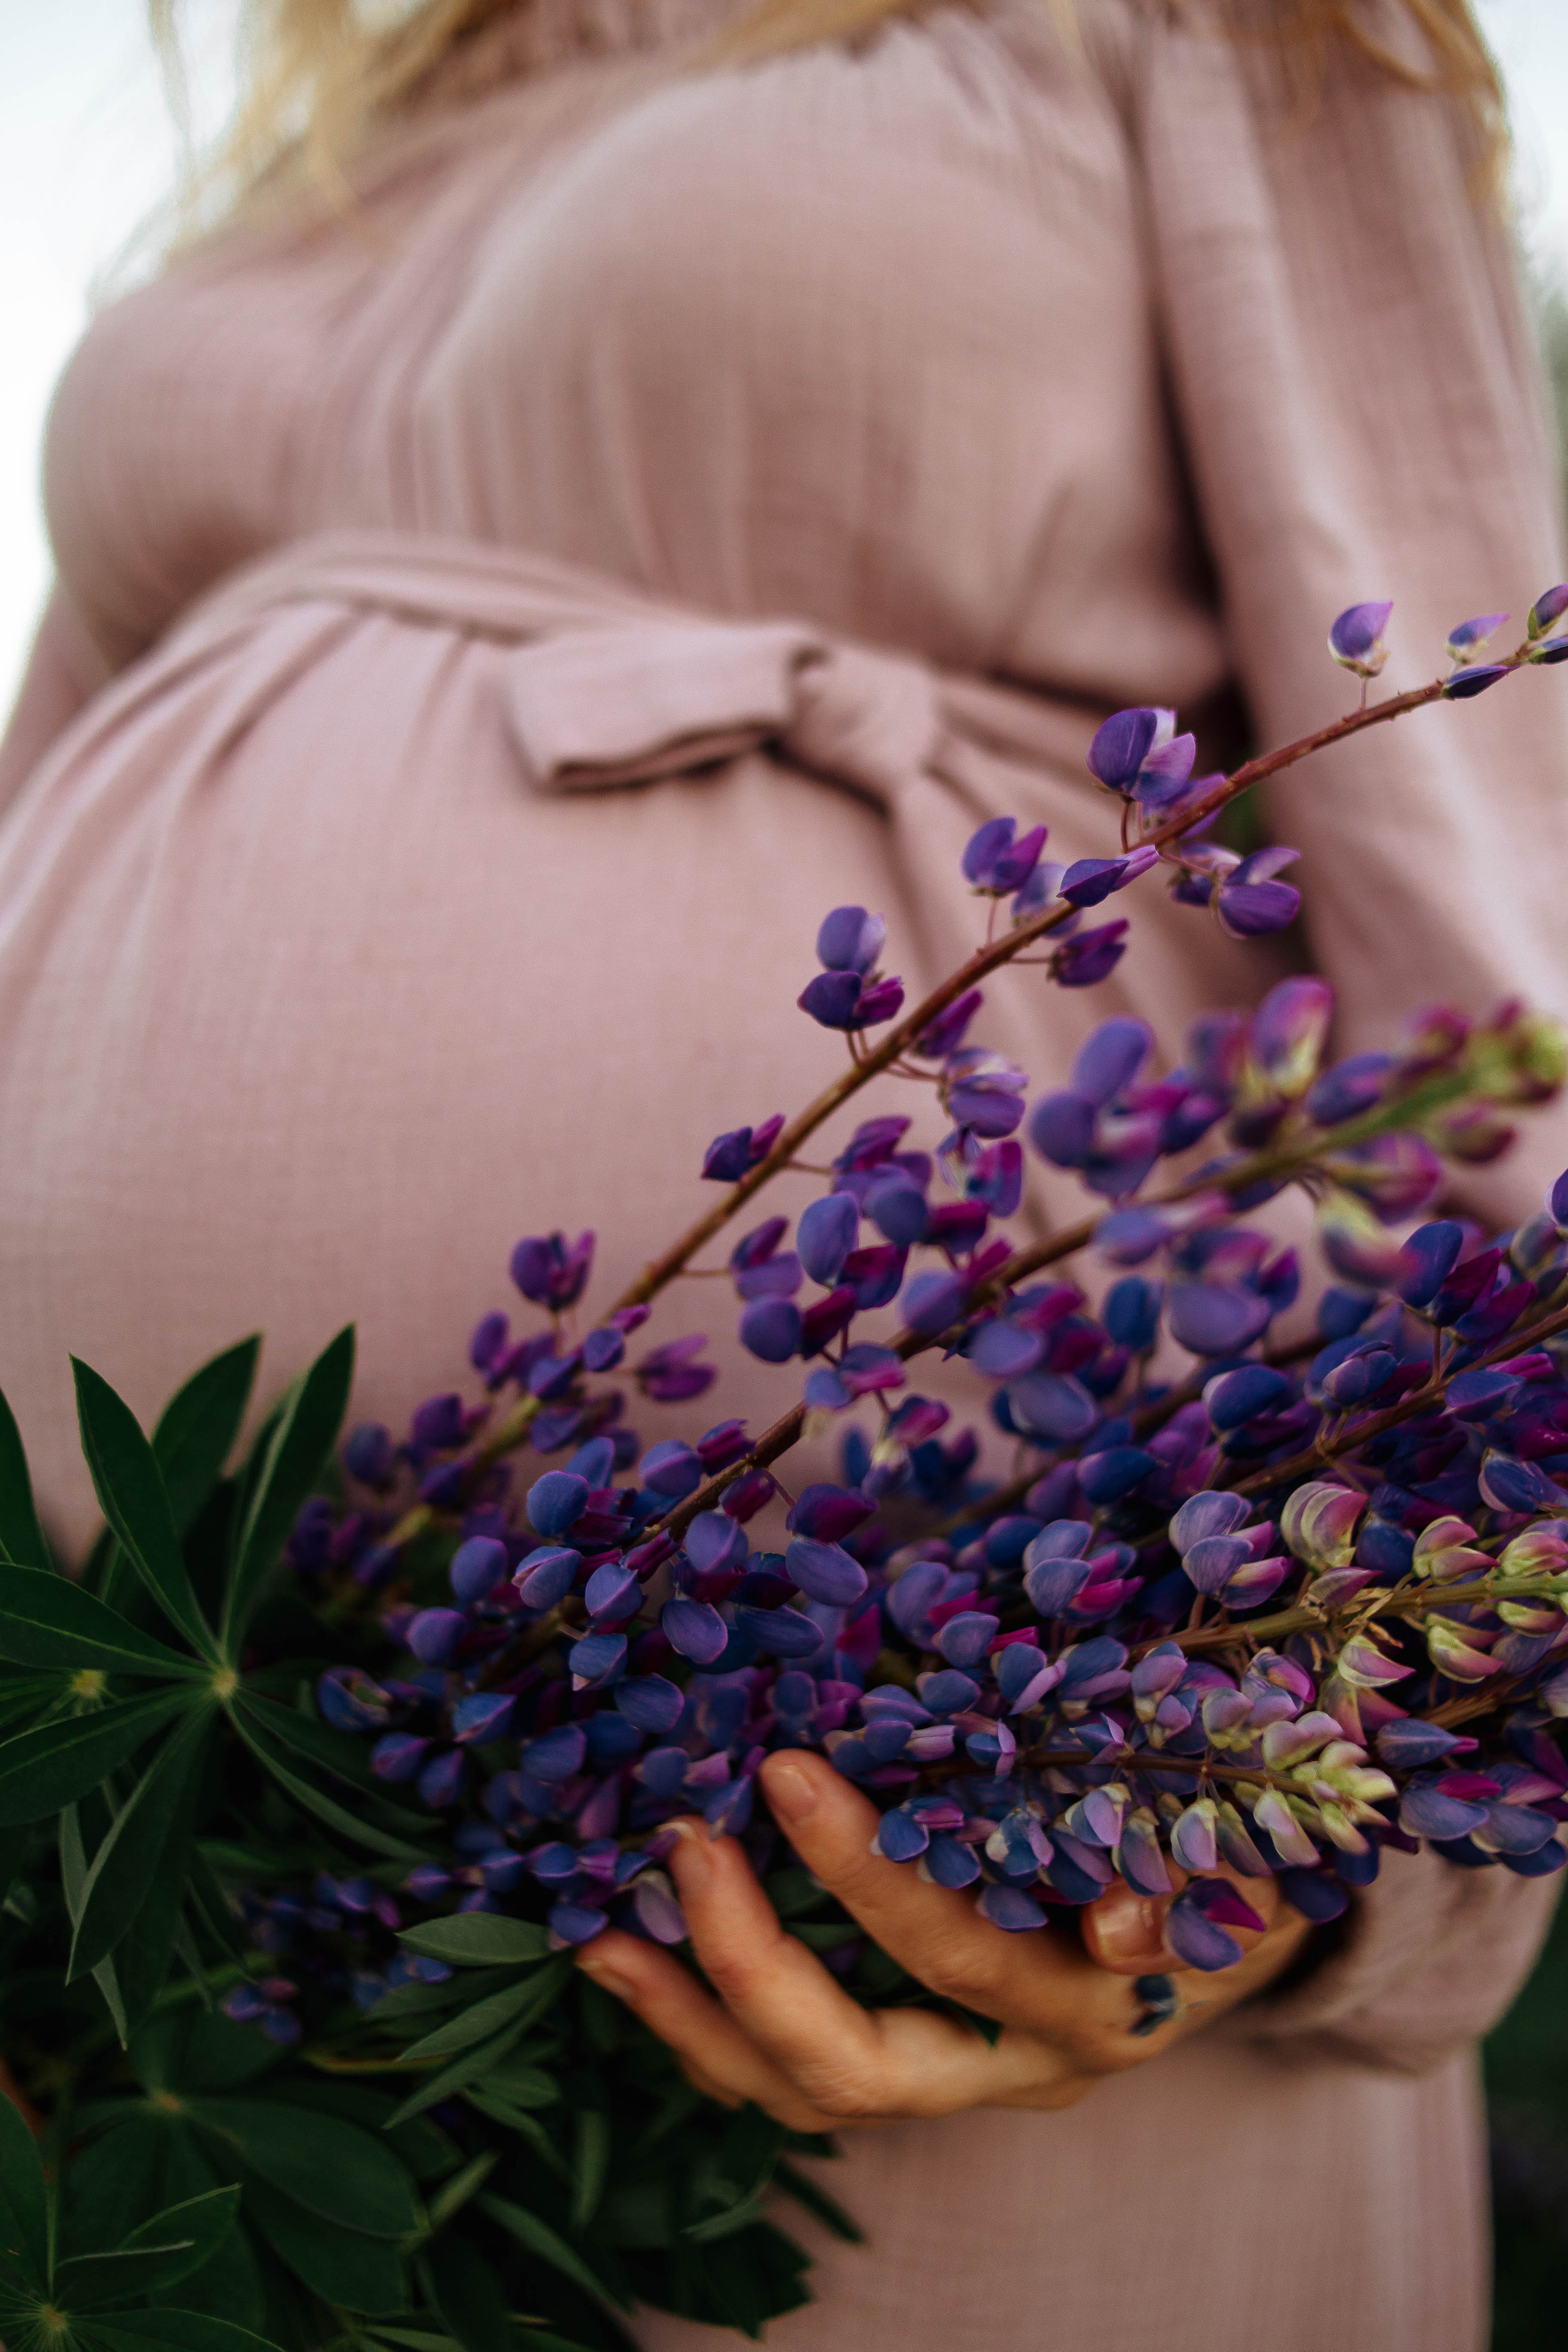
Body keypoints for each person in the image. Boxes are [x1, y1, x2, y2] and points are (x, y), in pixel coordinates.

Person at [0, 0, 1564, 2343]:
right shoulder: (342, 117)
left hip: (928, 1810)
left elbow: (1503, 974)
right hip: (134, 1836)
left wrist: (1352, 1857)